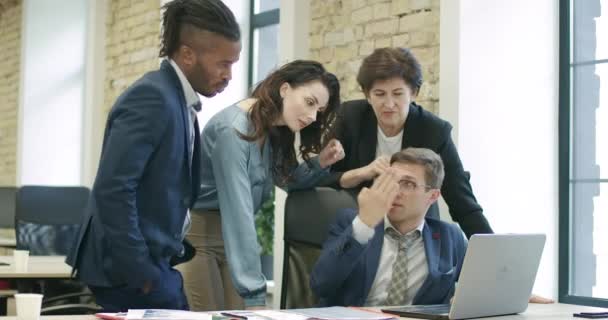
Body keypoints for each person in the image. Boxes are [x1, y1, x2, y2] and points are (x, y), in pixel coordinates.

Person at [66, 0, 241, 311]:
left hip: (153, 263)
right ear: (188, 55)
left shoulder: (179, 100)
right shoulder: (152, 97)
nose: (228, 75)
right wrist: (142, 271)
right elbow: (113, 189)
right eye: (223, 64)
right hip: (128, 269)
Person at [177, 60, 344, 311]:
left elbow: (287, 182)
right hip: (199, 238)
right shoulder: (232, 131)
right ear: (285, 89)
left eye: (318, 111)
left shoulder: (272, 129)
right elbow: (239, 214)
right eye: (310, 103)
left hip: (230, 241)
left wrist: (319, 163)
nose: (312, 117)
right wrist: (256, 295)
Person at [321, 47, 491, 238]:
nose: (389, 103)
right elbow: (320, 175)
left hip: (415, 234)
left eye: (398, 93)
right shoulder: (350, 118)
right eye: (379, 94)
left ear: (414, 93)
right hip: (362, 229)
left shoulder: (434, 132)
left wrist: (493, 254)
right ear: (367, 95)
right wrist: (362, 172)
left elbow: (462, 201)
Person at [311, 148, 466, 306]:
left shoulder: (450, 237)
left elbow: (481, 288)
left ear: (432, 196)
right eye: (391, 181)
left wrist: (461, 302)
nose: (395, 191)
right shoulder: (351, 222)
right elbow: (320, 285)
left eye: (408, 184)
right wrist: (364, 225)